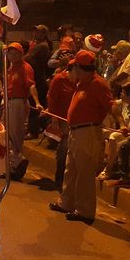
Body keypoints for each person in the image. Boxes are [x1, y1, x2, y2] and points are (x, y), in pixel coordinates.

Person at [49, 50, 113, 225]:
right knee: (71, 170)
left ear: (79, 67)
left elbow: (110, 106)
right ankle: (67, 202)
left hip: (88, 132)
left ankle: (85, 211)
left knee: (84, 172)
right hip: (76, 131)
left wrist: (122, 124)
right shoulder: (81, 84)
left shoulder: (98, 84)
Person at [5, 42, 43, 180]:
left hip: (18, 103)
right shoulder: (10, 67)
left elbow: (31, 85)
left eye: (16, 53)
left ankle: (18, 161)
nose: (12, 56)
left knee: (15, 134)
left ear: (22, 55)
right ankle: (12, 165)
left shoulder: (25, 68)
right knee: (6, 135)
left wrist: (37, 102)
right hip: (9, 102)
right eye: (10, 53)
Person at [98, 82, 130, 181]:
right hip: (125, 132)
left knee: (113, 137)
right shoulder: (127, 103)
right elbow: (112, 104)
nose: (120, 94)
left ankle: (108, 169)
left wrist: (121, 127)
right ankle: (100, 163)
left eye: (123, 93)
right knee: (99, 131)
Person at [45, 50, 76, 190]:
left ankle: (68, 181)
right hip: (62, 119)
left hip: (74, 120)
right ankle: (59, 180)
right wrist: (54, 118)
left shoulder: (79, 82)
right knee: (64, 149)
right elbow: (52, 98)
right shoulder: (59, 79)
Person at [25, 25, 52, 139]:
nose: (35, 34)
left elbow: (28, 59)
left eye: (38, 32)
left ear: (44, 34)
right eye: (35, 31)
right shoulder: (39, 45)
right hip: (38, 78)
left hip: (38, 79)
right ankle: (37, 128)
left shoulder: (42, 46)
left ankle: (34, 131)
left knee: (35, 106)